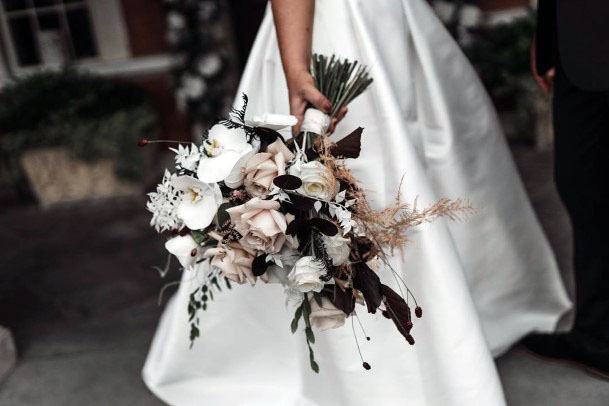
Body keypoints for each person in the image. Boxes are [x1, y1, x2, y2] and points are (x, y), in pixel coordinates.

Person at [143, 1, 571, 404]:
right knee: (352, 181)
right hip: (350, 29)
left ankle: (435, 339)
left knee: (369, 182)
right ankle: (411, 352)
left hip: (366, 27)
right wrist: (296, 66)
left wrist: (295, 65)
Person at [524, 0, 609, 377]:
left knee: (588, 184)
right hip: (580, 44)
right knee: (583, 186)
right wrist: (550, 41)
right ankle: (597, 335)